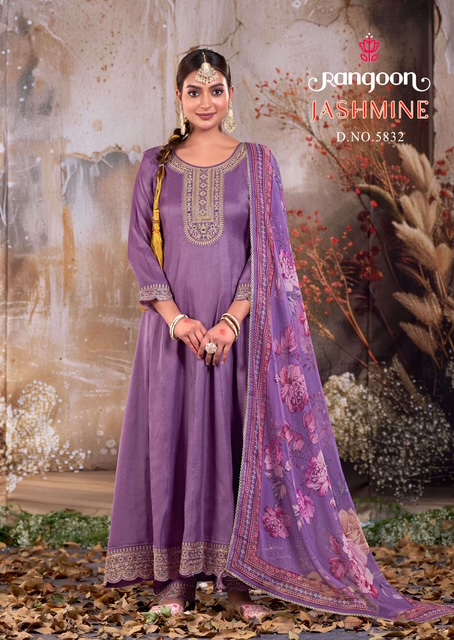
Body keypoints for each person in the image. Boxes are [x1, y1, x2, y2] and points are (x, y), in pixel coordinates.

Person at [104, 48, 453, 624]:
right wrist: (178, 320)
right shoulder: (155, 165)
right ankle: (176, 581)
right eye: (194, 91)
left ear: (230, 95)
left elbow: (266, 252)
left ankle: (239, 582)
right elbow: (140, 247)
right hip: (171, 336)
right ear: (179, 98)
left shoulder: (258, 163)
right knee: (172, 445)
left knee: (241, 451)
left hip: (239, 337)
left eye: (216, 90)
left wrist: (231, 321)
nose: (206, 102)